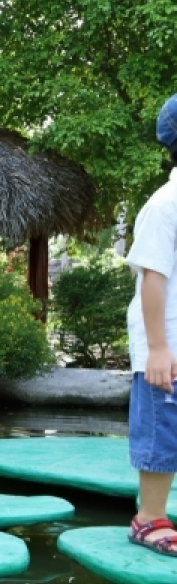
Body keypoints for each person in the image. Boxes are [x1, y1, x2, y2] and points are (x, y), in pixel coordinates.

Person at [125, 92, 177, 557]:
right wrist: (158, 348)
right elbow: (153, 278)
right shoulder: (165, 205)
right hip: (166, 345)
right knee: (162, 431)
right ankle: (148, 517)